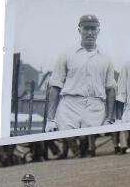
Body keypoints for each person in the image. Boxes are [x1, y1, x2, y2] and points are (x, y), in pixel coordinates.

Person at [45, 14, 116, 157]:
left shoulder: (106, 57)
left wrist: (109, 118)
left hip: (95, 105)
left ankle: (86, 156)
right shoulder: (67, 54)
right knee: (69, 136)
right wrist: (50, 119)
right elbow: (55, 86)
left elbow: (110, 89)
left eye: (93, 29)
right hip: (70, 104)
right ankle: (76, 154)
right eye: (86, 28)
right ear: (79, 30)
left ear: (98, 31)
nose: (90, 32)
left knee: (88, 144)